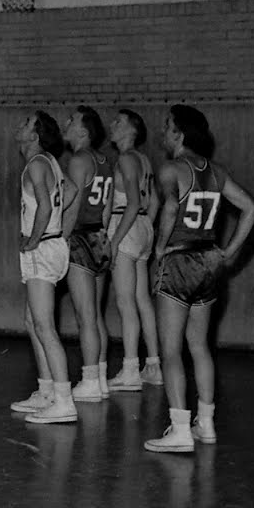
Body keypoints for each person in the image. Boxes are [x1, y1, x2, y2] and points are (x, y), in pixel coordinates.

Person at [145, 105, 254, 452]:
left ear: (179, 134)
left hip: (179, 259)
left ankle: (179, 428)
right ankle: (205, 424)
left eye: (167, 127)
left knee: (171, 349)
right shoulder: (217, 171)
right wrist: (229, 252)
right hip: (209, 260)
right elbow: (251, 208)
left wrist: (160, 249)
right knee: (199, 345)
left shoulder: (171, 169)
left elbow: (170, 209)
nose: (162, 132)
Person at [9, 111, 78, 425]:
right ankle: (46, 390)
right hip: (52, 245)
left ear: (34, 135)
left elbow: (47, 206)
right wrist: (59, 234)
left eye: (26, 123)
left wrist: (35, 239)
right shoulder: (49, 161)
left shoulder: (37, 164)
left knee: (44, 326)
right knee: (32, 321)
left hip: (43, 248)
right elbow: (73, 192)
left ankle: (64, 400)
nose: (19, 126)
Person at [104, 108, 162, 391]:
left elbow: (133, 203)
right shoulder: (144, 160)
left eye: (118, 122)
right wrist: (144, 229)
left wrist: (114, 242)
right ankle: (153, 366)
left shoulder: (126, 158)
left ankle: (130, 370)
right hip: (141, 229)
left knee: (125, 302)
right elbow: (154, 203)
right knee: (142, 301)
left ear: (132, 130)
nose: (112, 125)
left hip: (124, 226)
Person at [61, 105, 113, 401]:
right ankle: (101, 377)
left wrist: (61, 240)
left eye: (72, 121)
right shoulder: (104, 160)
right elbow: (105, 209)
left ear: (83, 131)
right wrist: (102, 236)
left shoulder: (79, 160)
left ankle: (90, 379)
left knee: (85, 316)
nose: (66, 123)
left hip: (81, 238)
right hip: (99, 236)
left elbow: (73, 206)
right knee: (96, 315)